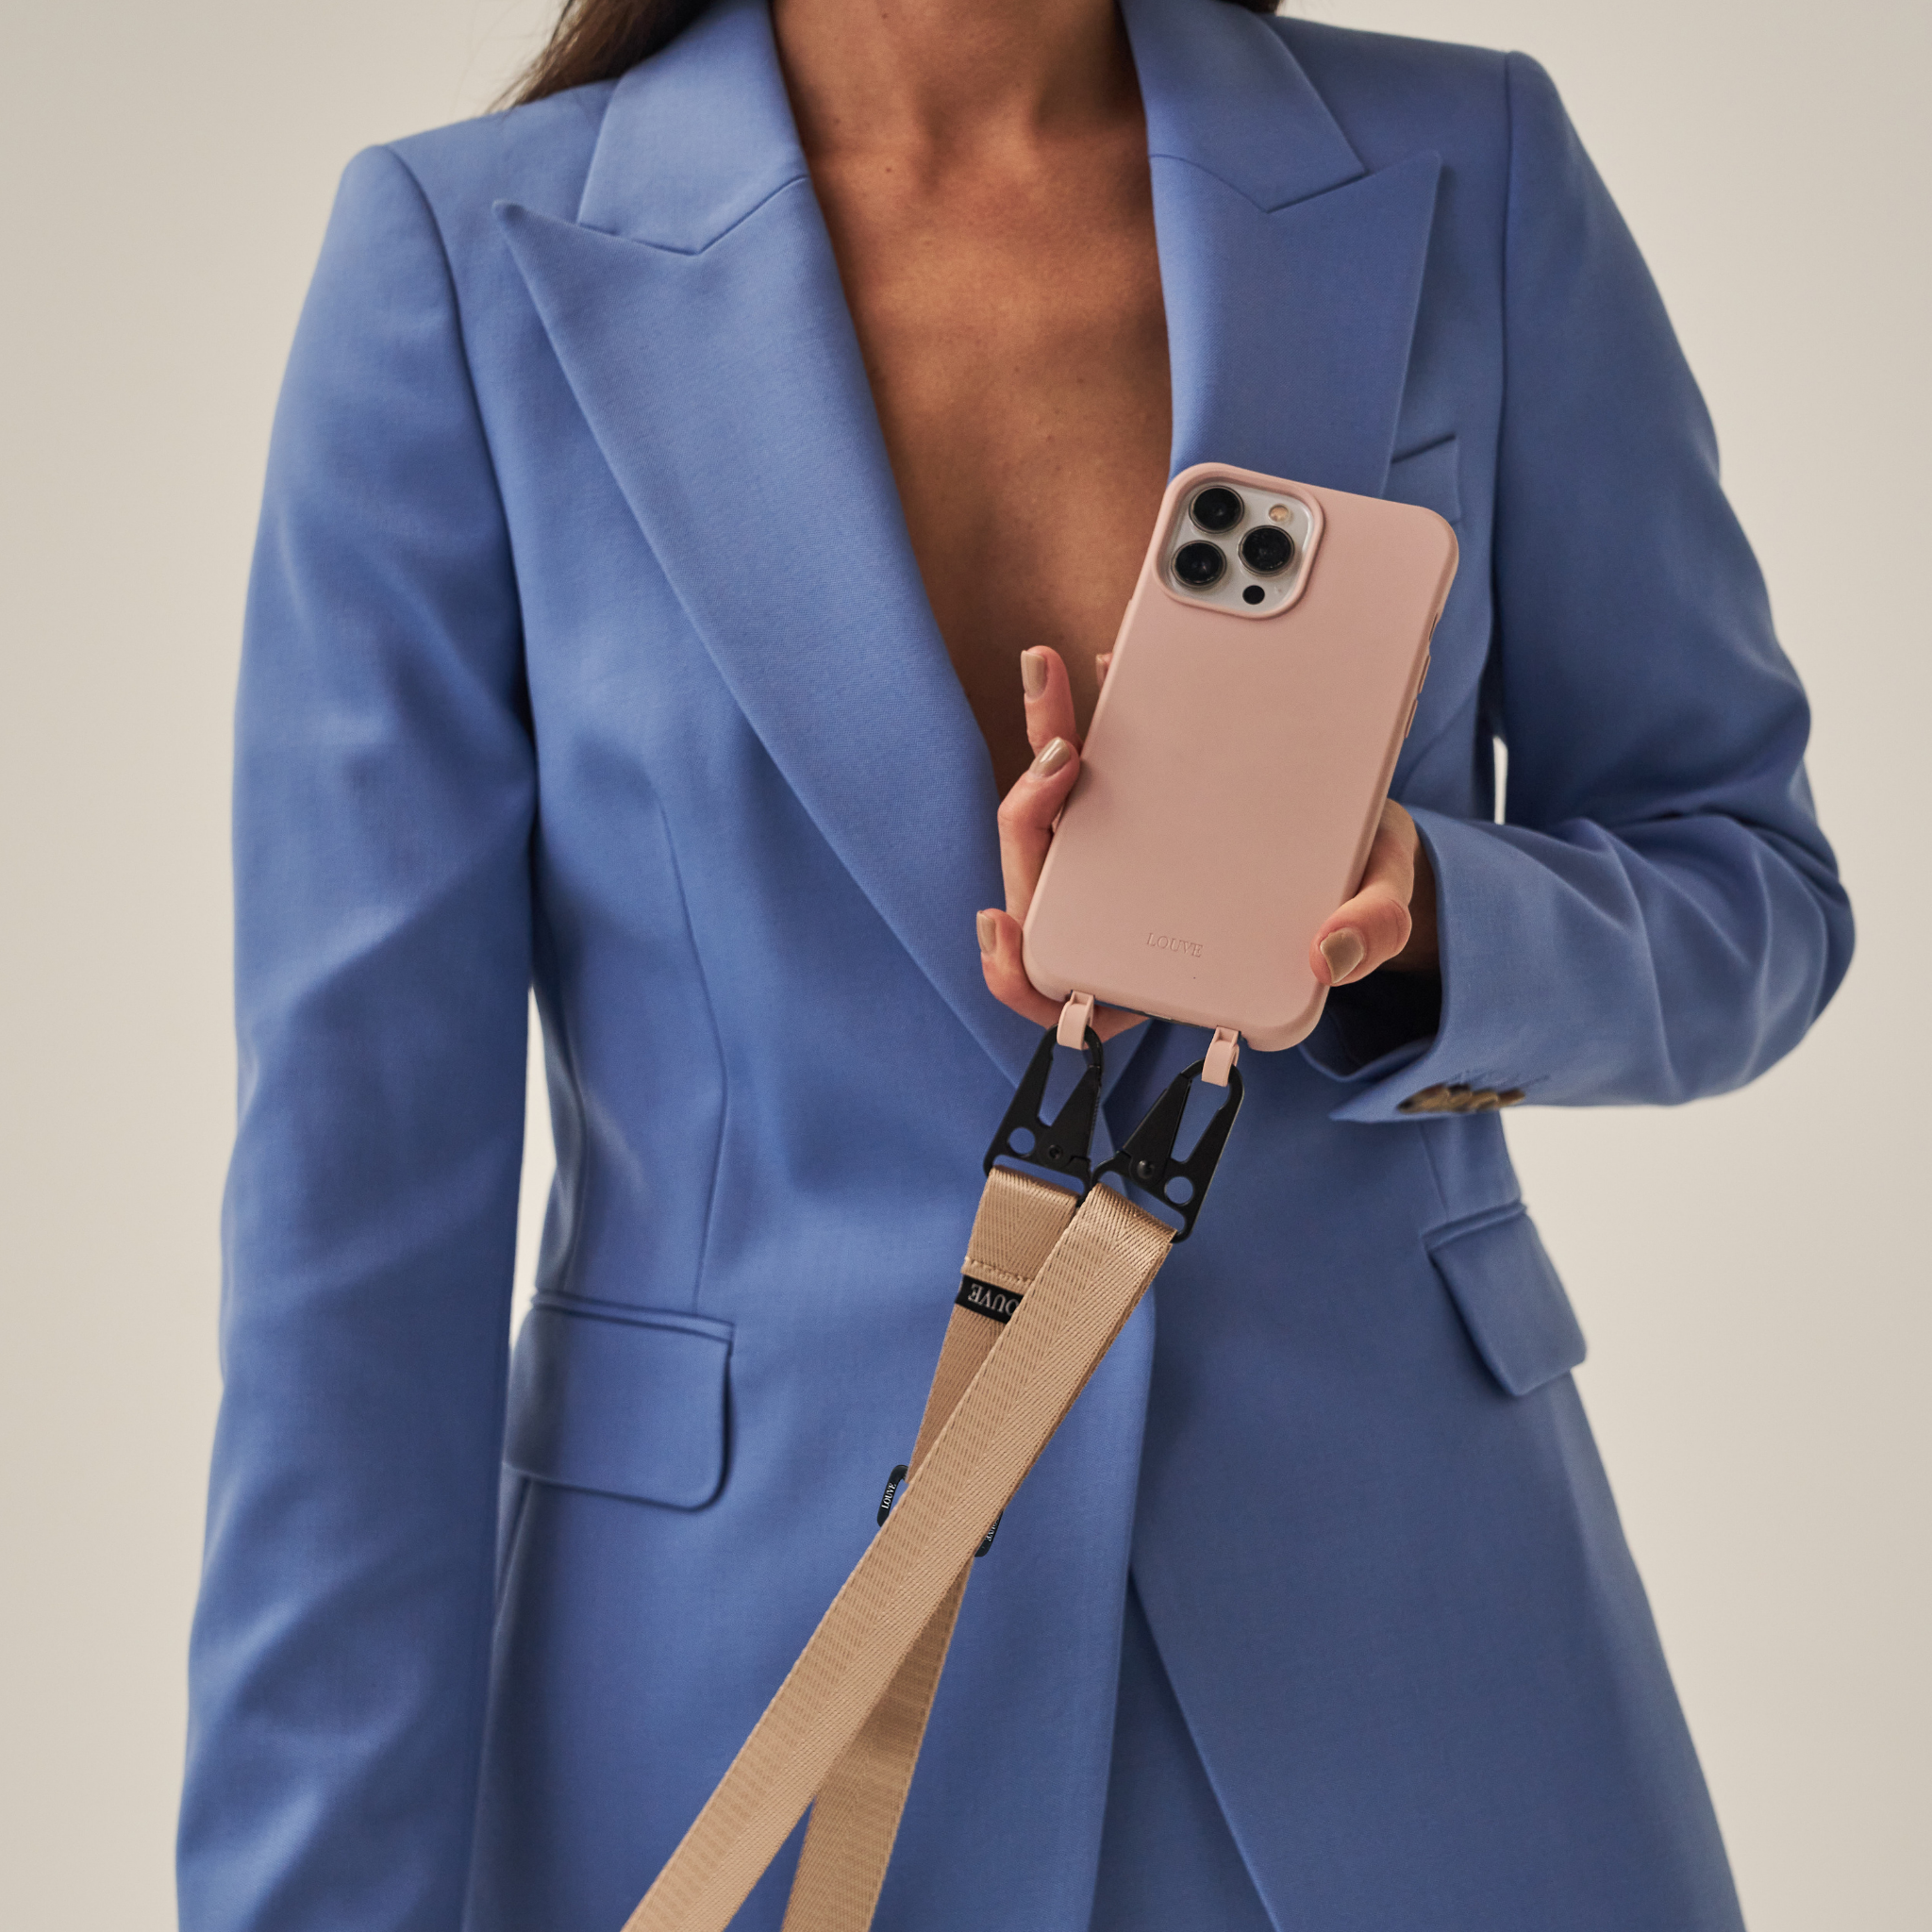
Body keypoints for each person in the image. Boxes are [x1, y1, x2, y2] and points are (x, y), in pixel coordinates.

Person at [178, 0, 1853, 1926]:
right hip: (728, 1709)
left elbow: (1748, 891)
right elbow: (354, 1233)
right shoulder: (460, 263)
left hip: (1421, 1695)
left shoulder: (1472, 165)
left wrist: (1419, 923)